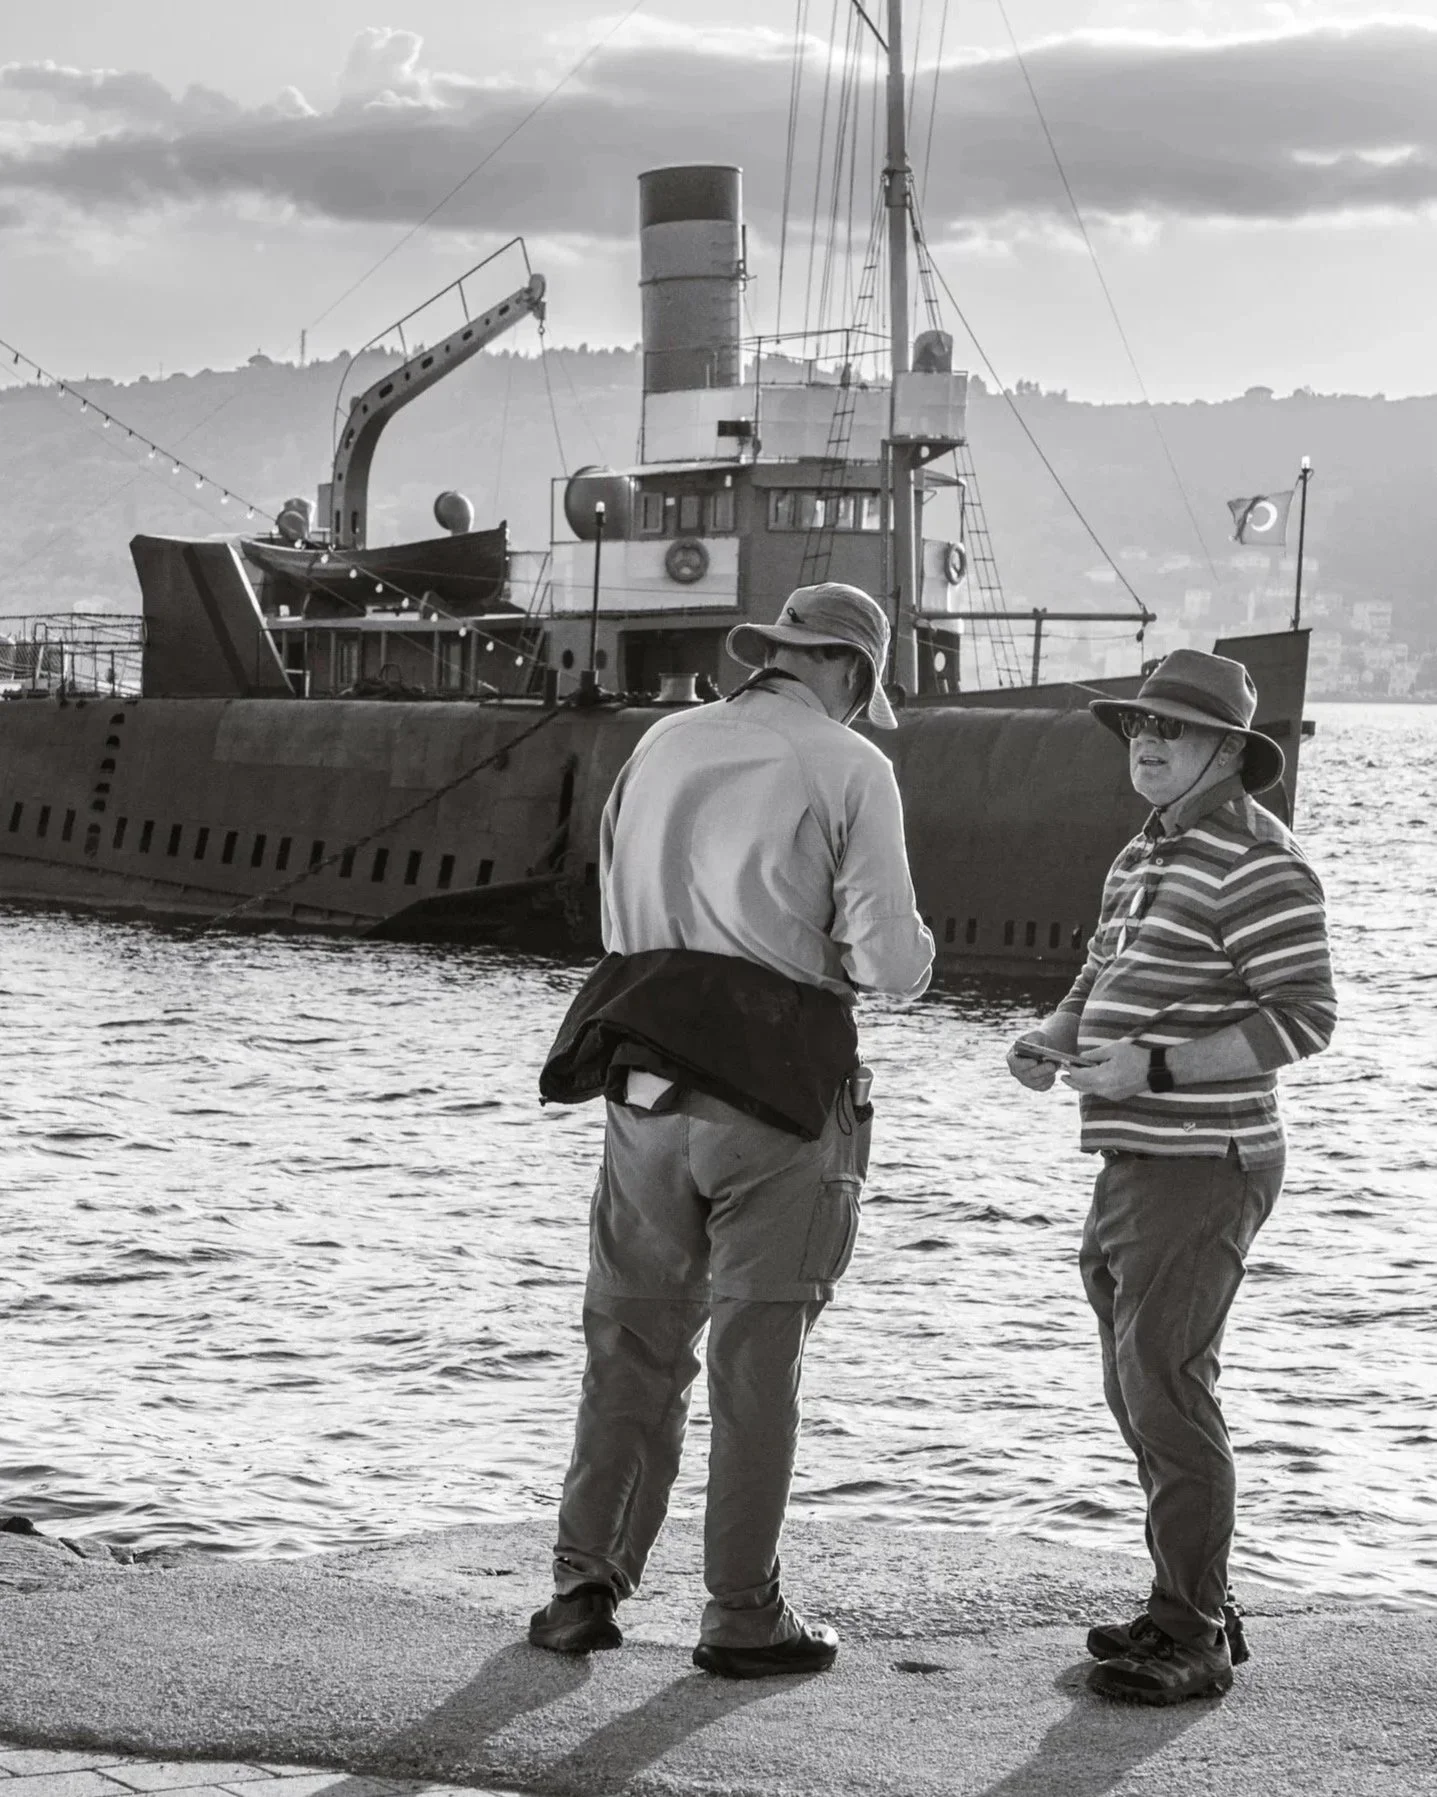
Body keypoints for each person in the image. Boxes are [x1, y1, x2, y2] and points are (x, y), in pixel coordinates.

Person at [532, 582, 934, 1678]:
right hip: (778, 1092)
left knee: (631, 1346)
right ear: (850, 670)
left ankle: (581, 1588)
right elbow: (889, 961)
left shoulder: (662, 740)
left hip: (644, 1082)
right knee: (757, 1365)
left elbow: (614, 910)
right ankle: (741, 1616)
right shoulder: (851, 763)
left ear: (776, 651)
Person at [1007, 648, 1335, 1706]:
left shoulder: (1258, 861)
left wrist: (1151, 1067)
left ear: (1229, 751)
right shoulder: (1144, 850)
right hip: (1135, 1155)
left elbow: (1304, 1017)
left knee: (1165, 1383)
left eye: (1173, 729)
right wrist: (1053, 1039)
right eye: (1138, 725)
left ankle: (1192, 1635)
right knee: (1137, 1384)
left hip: (1205, 1160)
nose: (1146, 741)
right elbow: (1097, 972)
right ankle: (1191, 1599)